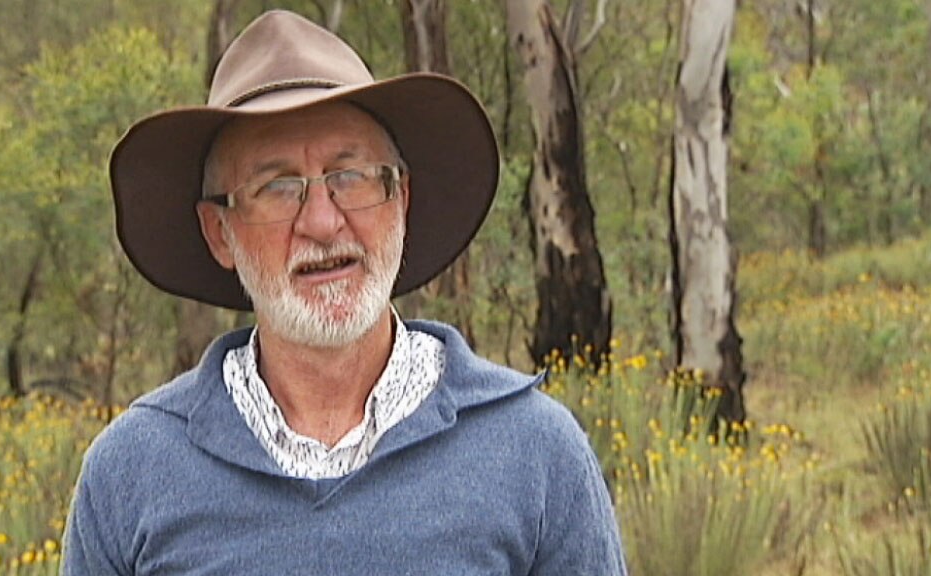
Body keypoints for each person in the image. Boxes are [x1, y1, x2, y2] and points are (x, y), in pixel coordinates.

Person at [62, 9, 626, 576]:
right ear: (220, 232)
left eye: (351, 177)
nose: (323, 222)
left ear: (400, 201)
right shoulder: (131, 471)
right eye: (277, 187)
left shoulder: (535, 452)